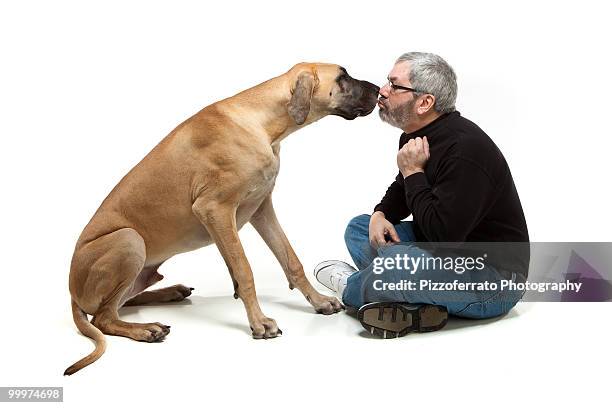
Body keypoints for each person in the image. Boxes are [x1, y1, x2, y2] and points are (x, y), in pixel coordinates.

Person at [314, 52, 530, 338]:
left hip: (492, 281)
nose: (383, 91)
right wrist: (381, 214)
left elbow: (444, 236)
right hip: (447, 253)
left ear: (425, 102)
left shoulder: (466, 149)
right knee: (360, 226)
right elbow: (405, 189)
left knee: (398, 264)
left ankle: (352, 287)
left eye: (395, 85)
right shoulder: (419, 133)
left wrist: (413, 172)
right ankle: (407, 298)